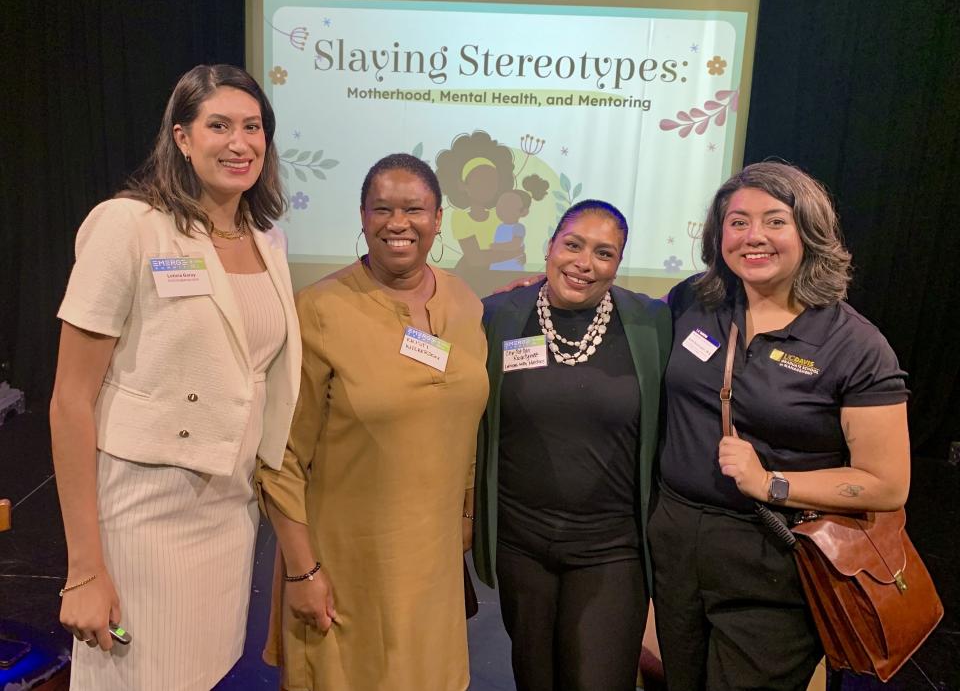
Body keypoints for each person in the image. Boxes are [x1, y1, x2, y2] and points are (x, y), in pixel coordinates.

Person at [50, 64, 300, 690]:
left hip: (229, 510)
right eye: (219, 126)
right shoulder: (129, 226)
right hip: (141, 516)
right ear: (182, 137)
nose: (239, 143)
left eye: (253, 127)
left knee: (204, 675)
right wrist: (84, 569)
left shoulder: (267, 240)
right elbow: (70, 401)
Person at [648, 162, 910, 690]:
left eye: (774, 221)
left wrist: (773, 482)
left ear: (808, 233)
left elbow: (887, 483)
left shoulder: (854, 345)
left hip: (773, 556)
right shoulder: (694, 303)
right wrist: (542, 294)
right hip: (676, 545)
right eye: (738, 222)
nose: (753, 237)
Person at [258, 153, 489, 690]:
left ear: (438, 217)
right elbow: (283, 457)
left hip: (432, 566)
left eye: (415, 209)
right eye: (381, 208)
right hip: (343, 565)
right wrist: (302, 570)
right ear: (362, 217)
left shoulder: (463, 301)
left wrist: (466, 519)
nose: (398, 223)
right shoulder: (319, 309)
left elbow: (468, 425)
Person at [473, 200, 672, 691]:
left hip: (612, 548)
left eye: (604, 253)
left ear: (619, 264)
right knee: (535, 678)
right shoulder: (498, 315)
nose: (584, 263)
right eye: (573, 245)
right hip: (520, 542)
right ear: (550, 247)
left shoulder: (652, 324)